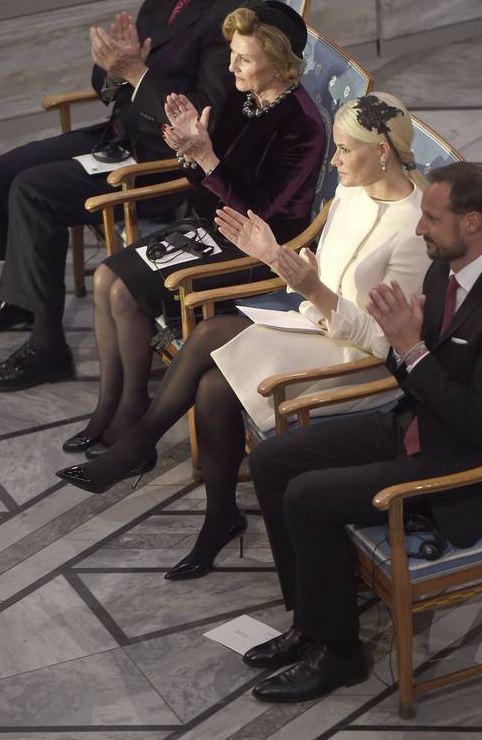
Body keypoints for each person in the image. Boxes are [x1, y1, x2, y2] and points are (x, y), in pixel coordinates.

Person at [56, 92, 430, 584]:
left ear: (382, 151)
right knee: (213, 383)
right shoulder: (352, 190)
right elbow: (322, 272)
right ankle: (217, 516)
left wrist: (312, 288)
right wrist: (278, 256)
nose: (333, 160)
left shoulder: (416, 230)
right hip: (313, 327)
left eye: (343, 149)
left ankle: (139, 451)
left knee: (213, 339)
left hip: (359, 364)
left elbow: (388, 346)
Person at [241, 162, 482, 704]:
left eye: (431, 219)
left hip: (464, 465)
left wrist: (410, 348)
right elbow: (419, 371)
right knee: (274, 460)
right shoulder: (443, 269)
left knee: (307, 498)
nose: (418, 229)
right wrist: (400, 345)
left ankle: (340, 654)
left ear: (473, 222)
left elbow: (480, 423)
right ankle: (310, 625)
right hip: (416, 424)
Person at [0, 0, 254, 391]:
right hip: (122, 131)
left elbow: (205, 119)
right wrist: (119, 70)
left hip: (163, 160)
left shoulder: (231, 17)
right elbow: (116, 69)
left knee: (35, 190)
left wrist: (137, 73)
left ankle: (48, 348)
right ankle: (19, 301)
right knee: (10, 165)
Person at [58, 0, 324, 461]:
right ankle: (112, 405)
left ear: (278, 62)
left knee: (122, 292)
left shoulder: (303, 125)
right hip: (208, 229)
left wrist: (205, 157)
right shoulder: (244, 98)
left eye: (243, 58)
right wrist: (189, 149)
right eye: (232, 53)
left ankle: (132, 413)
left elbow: (255, 215)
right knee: (106, 279)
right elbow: (206, 193)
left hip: (254, 255)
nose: (232, 65)